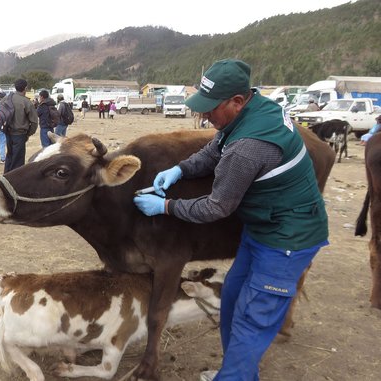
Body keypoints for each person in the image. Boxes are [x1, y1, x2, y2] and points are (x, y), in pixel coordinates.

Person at [133, 59, 328, 381]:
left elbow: (215, 208)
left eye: (210, 108)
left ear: (237, 101)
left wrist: (165, 207)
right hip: (261, 230)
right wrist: (181, 169)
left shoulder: (248, 148)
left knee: (253, 321)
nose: (203, 114)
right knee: (233, 300)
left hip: (288, 239)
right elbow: (214, 149)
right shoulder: (255, 110)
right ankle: (235, 373)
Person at [4, 79, 38, 173]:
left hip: (8, 132)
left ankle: (5, 176)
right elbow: (34, 122)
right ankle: (13, 181)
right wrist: (28, 134)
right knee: (18, 160)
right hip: (20, 134)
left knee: (9, 156)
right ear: (25, 88)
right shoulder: (26, 102)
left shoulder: (7, 98)